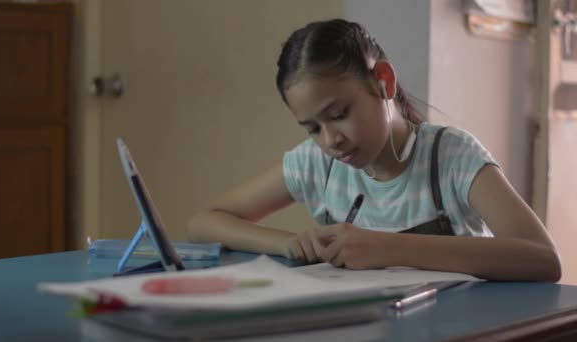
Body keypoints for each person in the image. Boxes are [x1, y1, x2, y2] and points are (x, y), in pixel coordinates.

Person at [187, 18, 561, 282]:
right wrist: (288, 243)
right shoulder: (319, 164)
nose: (330, 140)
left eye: (338, 114)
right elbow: (204, 223)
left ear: (383, 80)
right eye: (313, 128)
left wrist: (389, 248)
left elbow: (542, 259)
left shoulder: (451, 158)